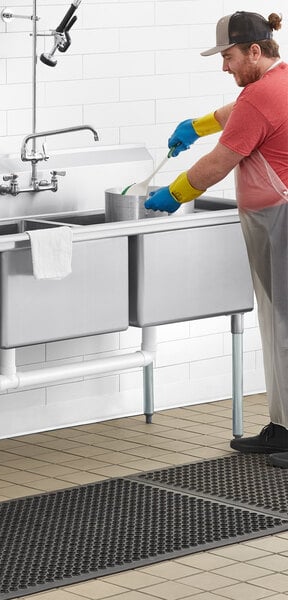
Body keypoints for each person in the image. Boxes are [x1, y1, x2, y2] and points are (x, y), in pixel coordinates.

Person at [144, 11, 288, 467]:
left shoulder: (261, 96)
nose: (223, 66)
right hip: (270, 218)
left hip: (279, 218)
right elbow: (232, 115)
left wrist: (173, 193)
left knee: (285, 324)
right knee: (275, 323)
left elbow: (218, 164)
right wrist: (194, 124)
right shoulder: (275, 83)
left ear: (254, 51)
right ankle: (283, 427)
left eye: (227, 56)